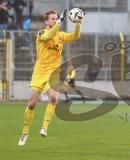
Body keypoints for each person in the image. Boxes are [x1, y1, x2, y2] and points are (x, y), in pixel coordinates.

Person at [18, 9, 83, 146]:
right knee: (32, 103)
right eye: (52, 19)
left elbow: (75, 36)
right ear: (46, 21)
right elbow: (48, 37)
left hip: (53, 73)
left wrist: (78, 23)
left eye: (56, 18)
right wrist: (59, 22)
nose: (54, 20)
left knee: (53, 98)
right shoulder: (41, 34)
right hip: (39, 73)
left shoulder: (61, 35)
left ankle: (44, 127)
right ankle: (24, 133)